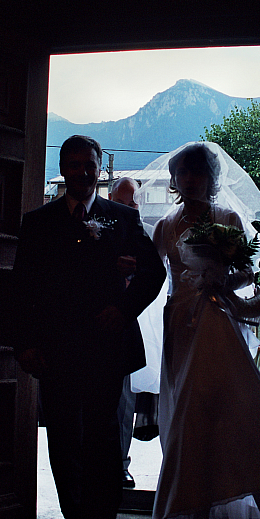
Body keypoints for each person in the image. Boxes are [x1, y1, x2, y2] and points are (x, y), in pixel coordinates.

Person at [140, 142, 260, 519]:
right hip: (181, 324)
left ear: (212, 180)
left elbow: (249, 272)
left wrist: (223, 281)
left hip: (218, 323)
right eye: (184, 174)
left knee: (235, 418)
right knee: (188, 422)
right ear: (175, 180)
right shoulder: (165, 226)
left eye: (199, 173)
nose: (191, 180)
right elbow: (147, 272)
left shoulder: (227, 220)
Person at [11, 136, 166, 519]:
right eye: (73, 164)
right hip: (55, 350)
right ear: (63, 167)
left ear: (101, 168)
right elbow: (21, 287)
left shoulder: (122, 218)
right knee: (62, 438)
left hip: (105, 348)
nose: (81, 171)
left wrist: (124, 308)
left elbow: (154, 271)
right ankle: (74, 515)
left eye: (89, 164)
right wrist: (24, 343)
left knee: (101, 440)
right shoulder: (38, 222)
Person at [108, 177, 141, 488]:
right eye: (126, 201)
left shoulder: (138, 230)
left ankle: (121, 463)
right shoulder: (95, 221)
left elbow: (154, 273)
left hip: (122, 325)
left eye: (134, 203)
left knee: (123, 402)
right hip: (83, 326)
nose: (131, 208)